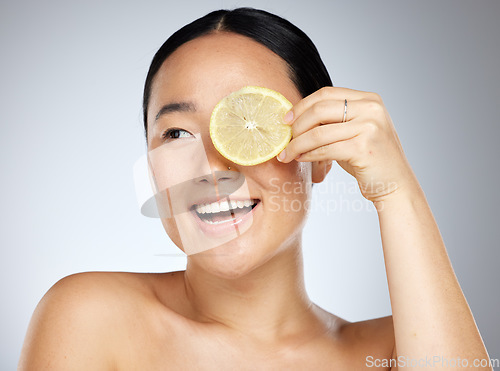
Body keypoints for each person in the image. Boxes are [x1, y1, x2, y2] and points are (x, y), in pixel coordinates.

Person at [19, 7, 492, 370]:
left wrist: (397, 192)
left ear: (322, 152)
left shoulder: (397, 350)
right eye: (177, 134)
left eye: (250, 124)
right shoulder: (90, 318)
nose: (211, 167)